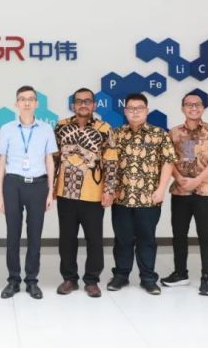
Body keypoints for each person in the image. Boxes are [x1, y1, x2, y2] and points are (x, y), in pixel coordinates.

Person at [107, 93, 176, 295]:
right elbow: (109, 164)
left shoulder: (159, 134)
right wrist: (110, 190)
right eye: (131, 108)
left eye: (139, 108)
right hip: (121, 198)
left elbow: (168, 162)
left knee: (147, 240)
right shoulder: (116, 133)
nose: (135, 112)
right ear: (125, 111)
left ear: (147, 110)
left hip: (149, 198)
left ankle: (148, 278)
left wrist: (161, 189)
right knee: (122, 240)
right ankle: (121, 276)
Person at [53, 88, 117, 298]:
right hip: (66, 193)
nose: (83, 104)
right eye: (79, 101)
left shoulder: (105, 129)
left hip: (93, 194)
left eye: (87, 101)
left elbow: (111, 161)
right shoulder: (61, 126)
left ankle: (91, 280)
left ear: (94, 105)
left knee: (94, 239)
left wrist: (109, 190)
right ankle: (69, 279)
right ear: (73, 105)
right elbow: (53, 158)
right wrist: (51, 187)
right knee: (67, 238)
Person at [160, 92, 208, 296]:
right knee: (179, 234)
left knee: (206, 235)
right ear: (182, 108)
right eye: (189, 105)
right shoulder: (173, 133)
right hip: (180, 191)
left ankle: (207, 277)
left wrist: (197, 181)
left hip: (205, 191)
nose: (193, 108)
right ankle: (180, 273)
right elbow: (168, 160)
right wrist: (179, 178)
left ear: (203, 108)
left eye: (197, 104)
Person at [0, 85, 58, 299]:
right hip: (12, 184)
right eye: (22, 99)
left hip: (38, 185)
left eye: (31, 99)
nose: (27, 102)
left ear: (36, 103)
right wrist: (0, 195)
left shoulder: (46, 129)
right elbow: (1, 162)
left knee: (35, 235)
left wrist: (50, 192)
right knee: (12, 234)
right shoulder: (7, 129)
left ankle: (32, 280)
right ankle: (13, 280)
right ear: (16, 103)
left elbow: (49, 161)